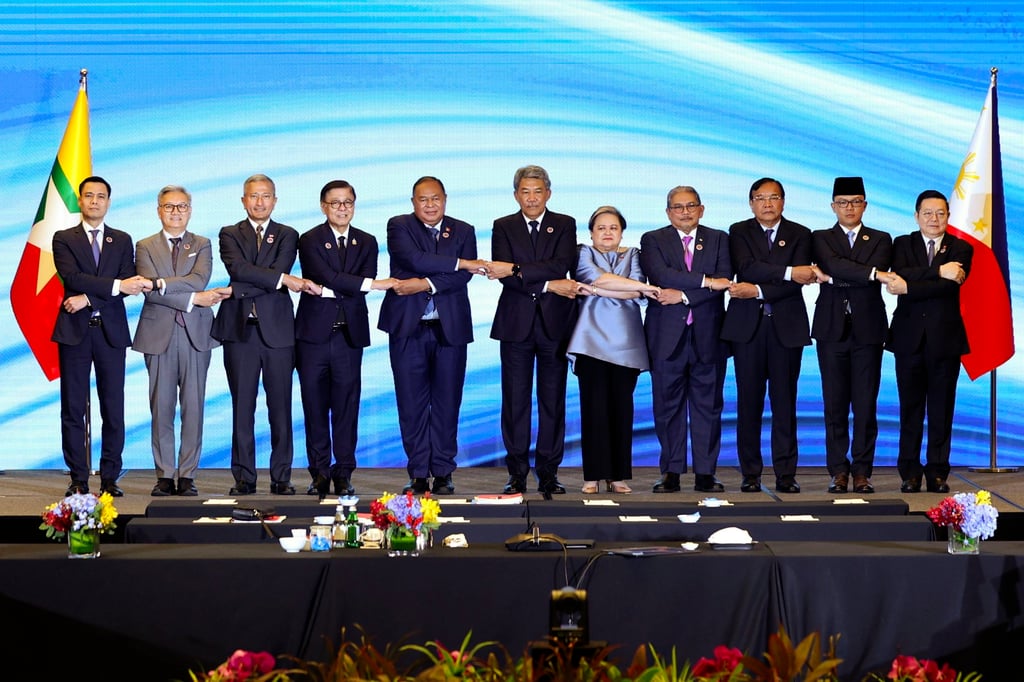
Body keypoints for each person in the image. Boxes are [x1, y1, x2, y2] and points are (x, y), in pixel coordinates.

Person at [377, 176, 486, 495]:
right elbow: (414, 260)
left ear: (445, 199)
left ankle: (442, 471)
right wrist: (460, 263)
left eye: (435, 198)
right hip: (407, 328)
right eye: (423, 199)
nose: (429, 205)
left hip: (449, 329)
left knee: (447, 402)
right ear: (413, 202)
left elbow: (461, 279)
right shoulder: (399, 226)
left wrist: (426, 283)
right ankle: (417, 472)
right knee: (411, 403)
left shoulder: (463, 230)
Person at [295, 180, 395, 499]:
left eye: (348, 202)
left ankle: (344, 472)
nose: (342, 208)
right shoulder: (309, 239)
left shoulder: (367, 241)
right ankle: (319, 473)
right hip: (312, 337)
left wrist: (348, 285)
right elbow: (326, 275)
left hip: (348, 336)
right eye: (335, 203)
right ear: (323, 206)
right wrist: (368, 284)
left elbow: (345, 282)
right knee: (314, 406)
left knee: (347, 407)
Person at [52, 176, 151, 496]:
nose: (95, 201)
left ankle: (110, 477)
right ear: (79, 201)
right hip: (75, 333)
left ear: (109, 202)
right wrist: (112, 287)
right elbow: (73, 276)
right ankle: (78, 478)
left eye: (101, 196)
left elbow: (129, 282)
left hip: (110, 333)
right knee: (73, 407)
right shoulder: (63, 238)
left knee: (113, 406)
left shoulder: (121, 240)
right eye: (89, 196)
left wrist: (88, 299)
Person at [484, 165, 579, 495]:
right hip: (515, 325)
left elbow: (560, 264)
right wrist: (549, 284)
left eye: (538, 191)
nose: (532, 198)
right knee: (515, 401)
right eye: (525, 192)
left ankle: (549, 472)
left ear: (548, 193)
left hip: (555, 324)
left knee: (552, 400)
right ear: (516, 195)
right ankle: (517, 472)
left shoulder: (564, 224)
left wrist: (520, 270)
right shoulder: (503, 226)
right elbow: (504, 275)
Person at [211, 174, 307, 496]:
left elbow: (261, 273)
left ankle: (282, 477)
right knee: (242, 408)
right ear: (243, 200)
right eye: (254, 196)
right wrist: (280, 280)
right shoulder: (229, 234)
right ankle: (244, 478)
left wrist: (237, 289)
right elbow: (239, 269)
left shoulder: (288, 235)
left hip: (278, 333)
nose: (260, 202)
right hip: (240, 333)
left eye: (266, 196)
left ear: (275, 200)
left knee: (281, 407)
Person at [133, 185, 229, 497]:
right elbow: (148, 290)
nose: (176, 212)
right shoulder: (144, 246)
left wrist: (162, 284)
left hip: (196, 335)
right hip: (158, 334)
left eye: (182, 206)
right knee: (161, 407)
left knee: (193, 406)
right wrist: (193, 299)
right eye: (169, 206)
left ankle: (187, 474)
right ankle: (164, 475)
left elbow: (198, 279)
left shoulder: (202, 243)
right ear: (158, 210)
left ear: (190, 209)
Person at [721, 177, 815, 494]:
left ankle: (786, 473)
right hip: (747, 329)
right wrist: (787, 270)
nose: (767, 203)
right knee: (748, 403)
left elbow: (797, 281)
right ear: (751, 203)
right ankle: (750, 472)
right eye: (760, 198)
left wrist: (760, 288)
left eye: (774, 197)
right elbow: (746, 267)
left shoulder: (801, 234)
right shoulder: (739, 231)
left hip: (786, 329)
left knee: (785, 403)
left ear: (783, 202)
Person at [640, 186, 733, 493]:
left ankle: (706, 472)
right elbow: (662, 275)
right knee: (667, 407)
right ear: (668, 212)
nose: (685, 212)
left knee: (709, 406)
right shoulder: (653, 239)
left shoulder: (719, 238)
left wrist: (682, 295)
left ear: (701, 209)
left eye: (690, 206)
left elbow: (725, 279)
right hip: (666, 337)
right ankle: (671, 471)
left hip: (709, 335)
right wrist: (705, 282)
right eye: (677, 207)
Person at [881, 189, 971, 494]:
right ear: (917, 215)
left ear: (948, 216)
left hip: (945, 340)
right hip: (908, 339)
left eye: (941, 213)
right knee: (910, 409)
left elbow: (946, 288)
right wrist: (936, 272)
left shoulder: (961, 248)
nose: (934, 219)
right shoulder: (901, 243)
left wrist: (911, 286)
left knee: (942, 410)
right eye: (928, 213)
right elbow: (900, 275)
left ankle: (937, 473)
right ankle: (909, 472)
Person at [810, 177, 892, 494]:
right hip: (831, 329)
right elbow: (833, 263)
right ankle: (838, 471)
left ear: (865, 205)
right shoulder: (820, 237)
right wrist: (868, 274)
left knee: (865, 404)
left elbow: (840, 269)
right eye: (843, 202)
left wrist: (835, 277)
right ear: (833, 206)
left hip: (868, 330)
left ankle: (862, 471)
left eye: (856, 201)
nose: (849, 208)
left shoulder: (882, 238)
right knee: (834, 404)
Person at [568, 206, 655, 493]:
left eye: (613, 228)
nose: (607, 233)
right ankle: (592, 475)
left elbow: (638, 290)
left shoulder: (634, 255)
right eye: (601, 228)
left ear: (621, 232)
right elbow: (599, 279)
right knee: (593, 410)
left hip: (627, 344)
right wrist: (601, 287)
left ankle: (617, 475)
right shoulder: (583, 252)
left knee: (621, 409)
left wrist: (594, 290)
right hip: (591, 342)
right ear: (591, 232)